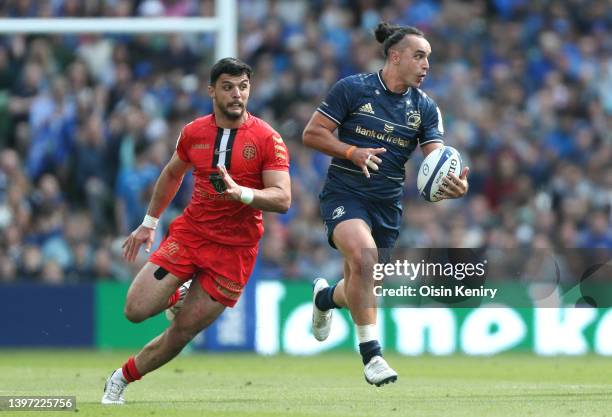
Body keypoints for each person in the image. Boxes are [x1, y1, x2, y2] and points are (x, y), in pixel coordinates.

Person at [102, 57, 291, 405]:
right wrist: (149, 223)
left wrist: (243, 194)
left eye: (243, 86)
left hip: (235, 250)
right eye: (228, 86)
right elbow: (173, 174)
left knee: (182, 331)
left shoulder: (268, 138)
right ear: (212, 91)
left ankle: (121, 378)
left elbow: (282, 198)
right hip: (192, 235)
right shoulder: (194, 132)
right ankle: (179, 291)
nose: (237, 94)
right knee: (134, 310)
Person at [302, 22, 469, 386]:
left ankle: (326, 298)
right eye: (419, 56)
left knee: (361, 282)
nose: (426, 65)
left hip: (387, 205)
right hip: (345, 194)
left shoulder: (425, 108)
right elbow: (312, 133)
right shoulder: (353, 89)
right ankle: (372, 356)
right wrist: (351, 151)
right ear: (395, 57)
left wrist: (453, 183)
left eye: (429, 58)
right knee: (364, 257)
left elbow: (436, 160)